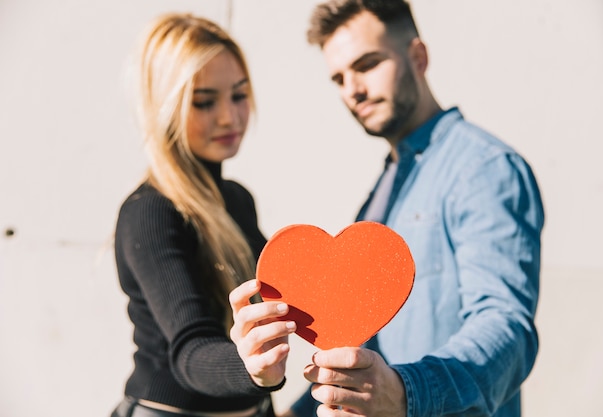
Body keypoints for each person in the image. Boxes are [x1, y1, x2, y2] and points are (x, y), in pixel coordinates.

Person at [230, 1, 544, 416]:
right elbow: (362, 352)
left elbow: (505, 328)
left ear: (418, 57)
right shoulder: (386, 188)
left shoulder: (482, 168)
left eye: (367, 64)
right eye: (339, 78)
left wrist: (406, 392)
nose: (352, 90)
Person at [110, 13, 296, 417]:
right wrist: (252, 369)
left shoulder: (237, 200)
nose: (229, 117)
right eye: (204, 102)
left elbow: (286, 302)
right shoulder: (152, 212)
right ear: (164, 105)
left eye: (239, 95)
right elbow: (190, 349)